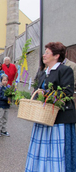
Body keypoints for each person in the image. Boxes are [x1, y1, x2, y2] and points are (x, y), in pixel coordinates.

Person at [25, 42, 76, 172]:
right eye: (44, 52)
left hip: (59, 119)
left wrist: (46, 94)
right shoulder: (43, 73)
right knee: (42, 149)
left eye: (47, 52)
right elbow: (38, 90)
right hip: (43, 117)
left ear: (57, 56)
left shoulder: (65, 70)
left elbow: (67, 93)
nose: (44, 55)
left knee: (56, 152)